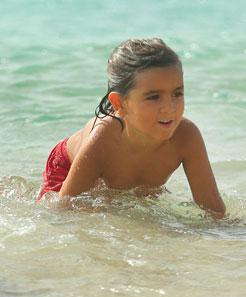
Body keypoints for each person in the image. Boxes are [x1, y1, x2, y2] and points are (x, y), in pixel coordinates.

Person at [38, 38, 226, 218]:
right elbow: (62, 208)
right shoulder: (104, 137)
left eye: (177, 93)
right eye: (153, 97)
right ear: (119, 103)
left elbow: (214, 211)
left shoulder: (187, 137)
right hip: (67, 169)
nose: (169, 107)